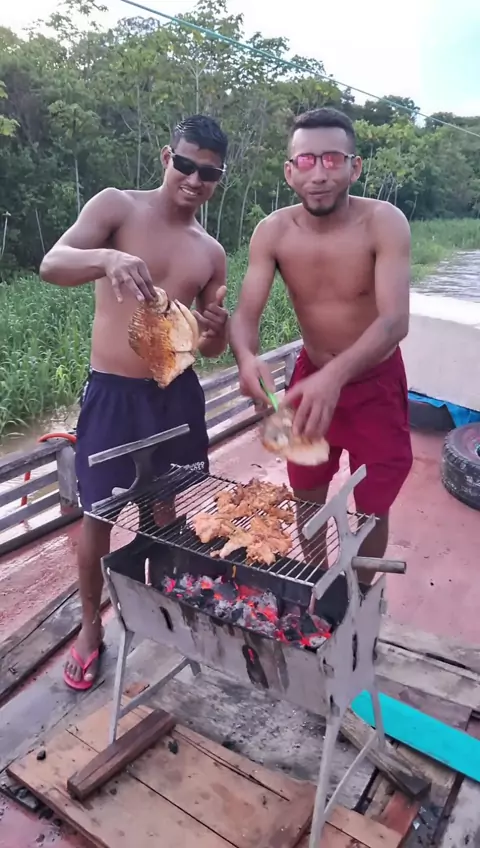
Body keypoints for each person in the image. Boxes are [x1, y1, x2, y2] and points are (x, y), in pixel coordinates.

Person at [40, 114, 229, 689]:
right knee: (99, 514)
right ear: (167, 157)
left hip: (176, 395)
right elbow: (51, 264)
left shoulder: (211, 251)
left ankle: (160, 603)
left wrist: (215, 329)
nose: (195, 179)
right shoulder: (117, 207)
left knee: (166, 508)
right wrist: (107, 258)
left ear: (219, 178)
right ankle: (90, 627)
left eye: (210, 173)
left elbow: (211, 347)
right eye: (186, 164)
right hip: (113, 395)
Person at [229, 107, 412, 576]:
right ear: (289, 171)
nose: (319, 174)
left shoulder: (384, 222)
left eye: (332, 159)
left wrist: (336, 376)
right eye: (306, 161)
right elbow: (244, 317)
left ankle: (361, 595)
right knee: (305, 491)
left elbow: (394, 321)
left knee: (373, 505)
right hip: (309, 378)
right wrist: (246, 357)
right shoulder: (272, 232)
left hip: (375, 384)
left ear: (355, 166)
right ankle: (314, 579)